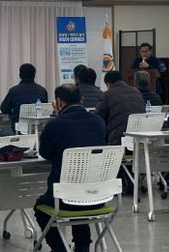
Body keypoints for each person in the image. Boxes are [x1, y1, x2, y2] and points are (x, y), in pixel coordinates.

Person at [34, 84, 106, 252]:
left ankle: (60, 248)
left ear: (59, 102)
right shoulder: (99, 122)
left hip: (64, 198)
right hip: (97, 196)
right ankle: (82, 247)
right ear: (82, 100)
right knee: (79, 194)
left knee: (41, 208)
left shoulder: (55, 124)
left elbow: (45, 153)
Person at [95, 70, 144, 145]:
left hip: (118, 139)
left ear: (108, 83)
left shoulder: (107, 95)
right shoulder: (137, 92)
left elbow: (98, 117)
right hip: (138, 138)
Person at [0, 63, 48, 132]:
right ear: (34, 75)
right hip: (38, 128)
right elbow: (45, 109)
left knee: (3, 130)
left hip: (19, 128)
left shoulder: (14, 91)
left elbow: (3, 109)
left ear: (20, 75)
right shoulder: (42, 91)